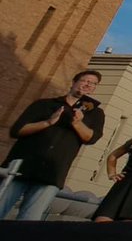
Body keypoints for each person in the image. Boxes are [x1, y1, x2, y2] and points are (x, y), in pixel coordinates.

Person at [0, 70, 106, 220]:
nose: (88, 84)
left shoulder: (95, 114)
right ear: (74, 82)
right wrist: (47, 122)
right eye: (85, 80)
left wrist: (77, 123)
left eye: (93, 83)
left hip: (52, 174)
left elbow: (91, 138)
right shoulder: (45, 104)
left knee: (29, 220)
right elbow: (18, 130)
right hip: (21, 167)